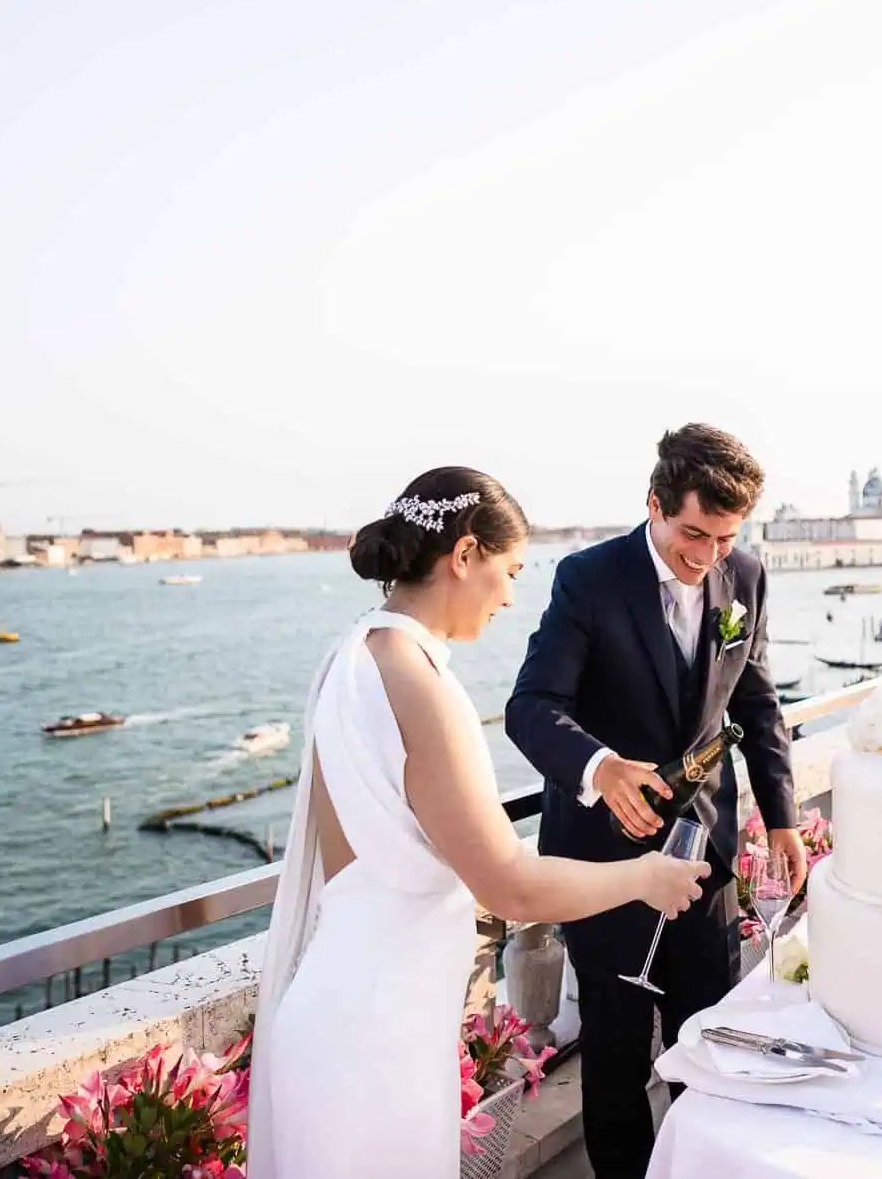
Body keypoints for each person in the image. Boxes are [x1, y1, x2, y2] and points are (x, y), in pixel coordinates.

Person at [249, 468, 709, 1179]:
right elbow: (512, 886)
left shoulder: (350, 659)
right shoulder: (424, 685)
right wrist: (647, 876)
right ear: (464, 555)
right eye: (508, 570)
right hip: (377, 1039)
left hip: (334, 1014)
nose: (510, 595)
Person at [506, 424, 803, 1179]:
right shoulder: (588, 579)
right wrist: (601, 769)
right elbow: (532, 705)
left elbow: (758, 706)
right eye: (693, 534)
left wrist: (783, 819)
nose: (706, 558)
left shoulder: (748, 577)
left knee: (705, 1044)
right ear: (655, 506)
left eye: (725, 538)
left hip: (705, 857)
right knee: (612, 1059)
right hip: (602, 861)